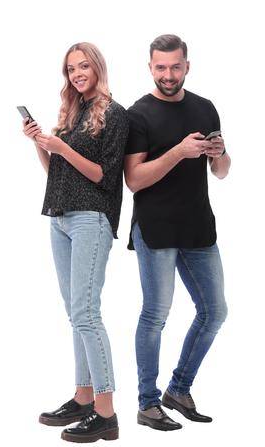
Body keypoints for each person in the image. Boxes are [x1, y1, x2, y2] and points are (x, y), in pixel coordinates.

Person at [21, 42, 128, 443]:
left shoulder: (115, 114)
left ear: (97, 67)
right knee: (75, 314)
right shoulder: (72, 111)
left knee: (86, 312)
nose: (77, 73)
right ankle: (84, 398)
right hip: (60, 217)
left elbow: (105, 175)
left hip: (91, 220)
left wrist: (62, 145)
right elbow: (57, 172)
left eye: (83, 66)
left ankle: (106, 413)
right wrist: (40, 143)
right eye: (70, 68)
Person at [125, 34, 230, 432]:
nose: (168, 74)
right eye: (161, 67)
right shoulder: (138, 115)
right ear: (150, 67)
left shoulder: (205, 108)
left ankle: (178, 389)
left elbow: (221, 172)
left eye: (175, 66)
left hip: (199, 227)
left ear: (187, 65)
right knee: (155, 315)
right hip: (156, 228)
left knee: (215, 312)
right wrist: (177, 153)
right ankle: (147, 403)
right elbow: (133, 180)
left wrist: (219, 154)